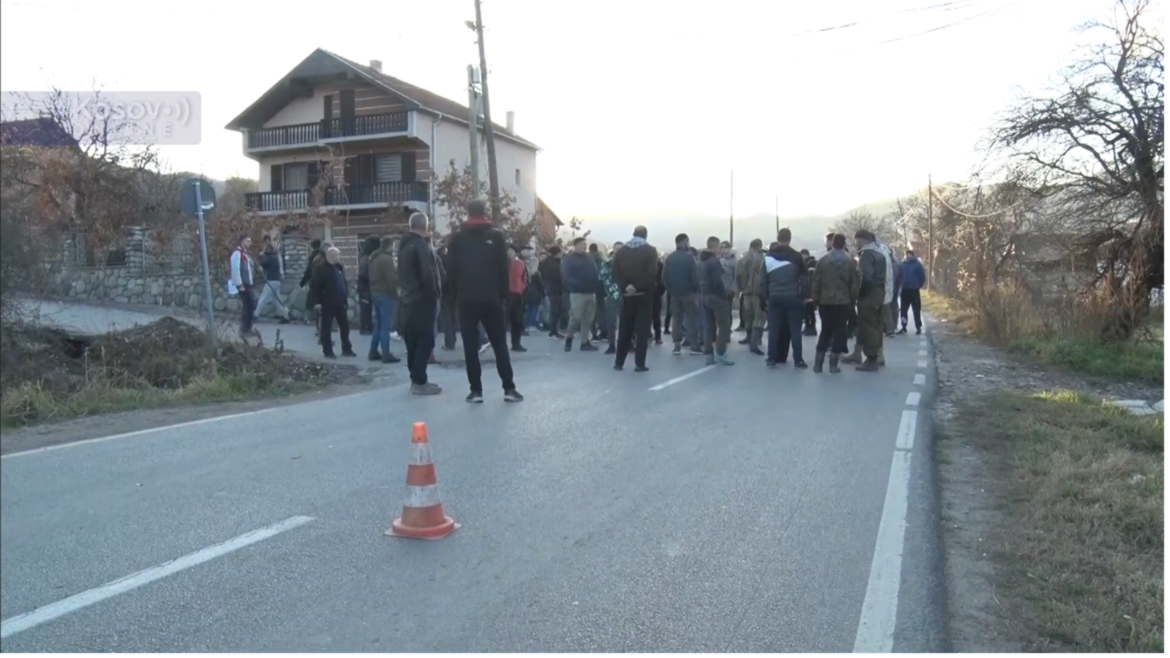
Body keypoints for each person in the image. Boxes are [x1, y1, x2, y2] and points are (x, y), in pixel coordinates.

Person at [447, 199, 524, 403]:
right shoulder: (496, 236)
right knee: (499, 345)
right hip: (492, 299)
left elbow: (451, 271)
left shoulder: (457, 239)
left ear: (467, 213)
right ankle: (509, 388)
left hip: (466, 299)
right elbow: (502, 270)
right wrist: (504, 297)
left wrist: (453, 299)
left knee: (470, 348)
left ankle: (476, 391)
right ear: (484, 212)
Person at [397, 214, 442, 394]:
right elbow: (427, 273)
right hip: (422, 299)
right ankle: (419, 380)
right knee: (426, 339)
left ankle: (415, 377)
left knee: (413, 340)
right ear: (425, 225)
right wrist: (433, 294)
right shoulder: (421, 245)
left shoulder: (404, 245)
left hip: (407, 299)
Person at [760, 229, 810, 368]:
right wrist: (803, 296)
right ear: (790, 238)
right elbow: (804, 279)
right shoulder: (797, 256)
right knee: (795, 330)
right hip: (793, 296)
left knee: (774, 329)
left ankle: (771, 359)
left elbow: (762, 281)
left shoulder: (768, 257)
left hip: (774, 297)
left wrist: (765, 298)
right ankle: (798, 359)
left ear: (777, 238)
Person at [611, 225, 658, 372]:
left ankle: (619, 362)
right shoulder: (650, 251)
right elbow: (651, 274)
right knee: (642, 331)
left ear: (633, 234)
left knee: (625, 329)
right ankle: (639, 364)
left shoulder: (621, 252)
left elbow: (615, 274)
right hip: (643, 295)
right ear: (646, 235)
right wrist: (637, 287)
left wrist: (626, 287)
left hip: (626, 295)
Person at [811, 233, 859, 373]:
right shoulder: (849, 261)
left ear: (832, 243)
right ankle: (833, 365)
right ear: (844, 244)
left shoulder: (824, 260)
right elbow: (854, 284)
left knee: (825, 331)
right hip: (843, 302)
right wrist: (853, 300)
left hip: (825, 301)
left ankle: (818, 364)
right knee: (839, 332)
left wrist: (816, 299)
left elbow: (816, 281)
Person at [845, 229, 887, 371]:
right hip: (879, 291)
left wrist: (860, 292)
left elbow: (866, 277)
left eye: (856, 240)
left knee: (868, 326)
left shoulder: (867, 254)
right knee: (875, 325)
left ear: (861, 239)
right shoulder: (880, 253)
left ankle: (871, 359)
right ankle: (871, 355)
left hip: (869, 293)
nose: (856, 243)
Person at [309, 247, 356, 359]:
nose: (338, 257)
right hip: (327, 303)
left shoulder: (339, 268)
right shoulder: (321, 269)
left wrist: (345, 295)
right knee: (326, 327)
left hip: (340, 302)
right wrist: (316, 302)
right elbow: (315, 287)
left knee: (344, 327)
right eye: (337, 255)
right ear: (330, 256)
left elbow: (343, 283)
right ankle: (328, 350)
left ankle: (346, 348)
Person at [663, 233, 702, 356]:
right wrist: (696, 289)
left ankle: (676, 346)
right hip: (689, 293)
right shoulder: (690, 257)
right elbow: (695, 277)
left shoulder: (669, 258)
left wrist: (670, 290)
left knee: (677, 320)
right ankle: (694, 346)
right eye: (687, 242)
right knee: (691, 319)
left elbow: (664, 277)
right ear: (684, 242)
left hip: (675, 294)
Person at [699, 236, 734, 366]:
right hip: (716, 296)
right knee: (724, 325)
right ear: (715, 246)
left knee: (709, 325)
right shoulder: (714, 261)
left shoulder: (701, 261)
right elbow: (718, 281)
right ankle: (721, 353)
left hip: (704, 295)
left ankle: (709, 354)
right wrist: (724, 295)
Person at [561, 236, 601, 352]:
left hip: (591, 292)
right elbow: (566, 275)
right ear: (577, 245)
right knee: (575, 317)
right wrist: (575, 285)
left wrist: (595, 283)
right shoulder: (569, 258)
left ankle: (585, 342)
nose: (585, 246)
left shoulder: (589, 258)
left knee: (588, 319)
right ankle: (569, 339)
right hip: (577, 293)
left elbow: (595, 271)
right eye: (583, 244)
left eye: (585, 244)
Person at [367, 236, 401, 364]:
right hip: (386, 294)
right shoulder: (386, 260)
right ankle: (386, 353)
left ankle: (373, 351)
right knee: (385, 326)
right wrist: (395, 293)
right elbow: (391, 280)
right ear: (390, 246)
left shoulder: (373, 258)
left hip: (375, 293)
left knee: (379, 325)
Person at [735, 238, 767, 355]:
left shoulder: (741, 260)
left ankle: (749, 338)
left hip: (746, 294)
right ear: (759, 247)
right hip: (759, 294)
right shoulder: (762, 260)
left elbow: (737, 277)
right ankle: (754, 343)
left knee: (748, 318)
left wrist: (738, 292)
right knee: (759, 319)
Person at [229, 235, 261, 342]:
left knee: (250, 306)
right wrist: (239, 284)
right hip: (243, 285)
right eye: (248, 241)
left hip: (248, 283)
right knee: (248, 306)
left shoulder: (246, 254)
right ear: (242, 241)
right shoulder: (237, 254)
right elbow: (236, 270)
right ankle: (245, 329)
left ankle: (247, 327)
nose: (250, 243)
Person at [256, 237, 291, 324]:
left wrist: (261, 256)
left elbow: (262, 264)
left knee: (263, 298)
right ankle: (285, 316)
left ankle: (255, 315)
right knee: (277, 301)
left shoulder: (270, 258)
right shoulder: (275, 257)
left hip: (271, 281)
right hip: (276, 281)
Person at [599, 242, 624, 355]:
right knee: (611, 322)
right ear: (613, 250)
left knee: (626, 322)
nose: (618, 251)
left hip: (624, 295)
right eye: (616, 249)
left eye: (620, 249)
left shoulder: (628, 262)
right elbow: (601, 276)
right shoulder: (607, 262)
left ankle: (627, 344)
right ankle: (612, 344)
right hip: (611, 295)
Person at [539, 245, 565, 339]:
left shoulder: (551, 262)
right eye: (560, 252)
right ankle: (553, 331)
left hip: (554, 289)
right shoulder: (552, 263)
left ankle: (554, 331)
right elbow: (556, 276)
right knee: (555, 311)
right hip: (554, 290)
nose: (562, 254)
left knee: (556, 311)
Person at [899, 249, 927, 335]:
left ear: (912, 255)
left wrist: (918, 285)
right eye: (906, 254)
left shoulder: (917, 265)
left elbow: (922, 276)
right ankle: (903, 327)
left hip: (914, 289)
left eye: (909, 254)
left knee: (916, 310)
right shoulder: (903, 264)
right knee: (903, 310)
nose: (908, 256)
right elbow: (899, 275)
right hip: (905, 289)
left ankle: (918, 327)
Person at [507, 245, 529, 352]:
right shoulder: (502, 263)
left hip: (517, 295)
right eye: (507, 251)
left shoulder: (520, 263)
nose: (509, 253)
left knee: (517, 321)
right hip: (505, 294)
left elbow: (524, 278)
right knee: (503, 321)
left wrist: (521, 288)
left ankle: (516, 344)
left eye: (511, 251)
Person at [357, 236, 379, 335]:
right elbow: (362, 274)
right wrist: (373, 276)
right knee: (365, 308)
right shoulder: (366, 259)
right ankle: (365, 328)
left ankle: (368, 327)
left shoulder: (366, 257)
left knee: (367, 308)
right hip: (365, 287)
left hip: (366, 287)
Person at [801, 248, 819, 336]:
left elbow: (810, 278)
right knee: (809, 310)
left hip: (810, 291)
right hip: (811, 290)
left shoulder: (810, 263)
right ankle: (809, 327)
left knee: (809, 310)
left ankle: (811, 328)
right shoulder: (812, 262)